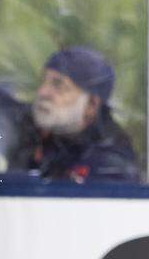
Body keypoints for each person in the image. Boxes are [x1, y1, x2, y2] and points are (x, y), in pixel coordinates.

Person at [11, 47, 140, 182]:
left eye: (58, 85)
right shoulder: (31, 136)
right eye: (44, 82)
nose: (42, 92)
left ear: (91, 105)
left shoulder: (110, 166)